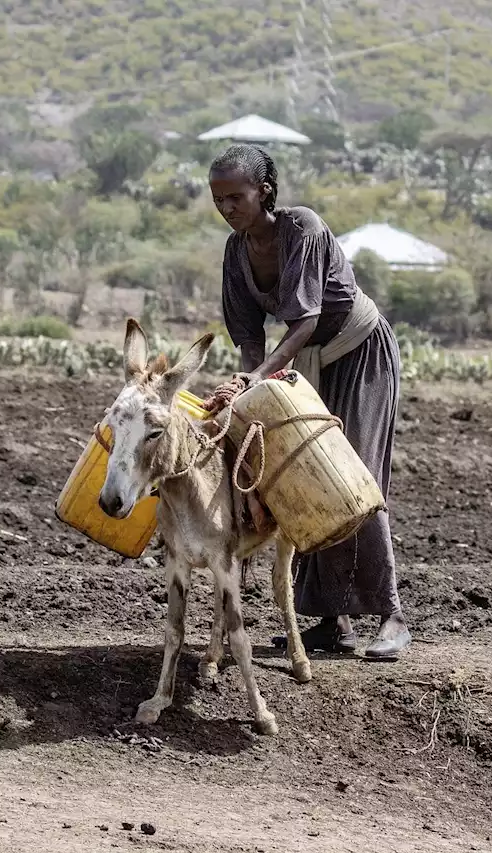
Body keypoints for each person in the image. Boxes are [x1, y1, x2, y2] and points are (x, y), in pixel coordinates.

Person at [200, 142, 411, 660]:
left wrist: (256, 379)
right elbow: (250, 336)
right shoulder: (237, 252)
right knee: (297, 473)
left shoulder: (303, 229)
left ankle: (392, 616)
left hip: (358, 352)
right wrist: (247, 379)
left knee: (351, 474)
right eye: (218, 199)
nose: (226, 209)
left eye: (236, 198)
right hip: (303, 361)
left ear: (264, 192)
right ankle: (332, 621)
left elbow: (306, 320)